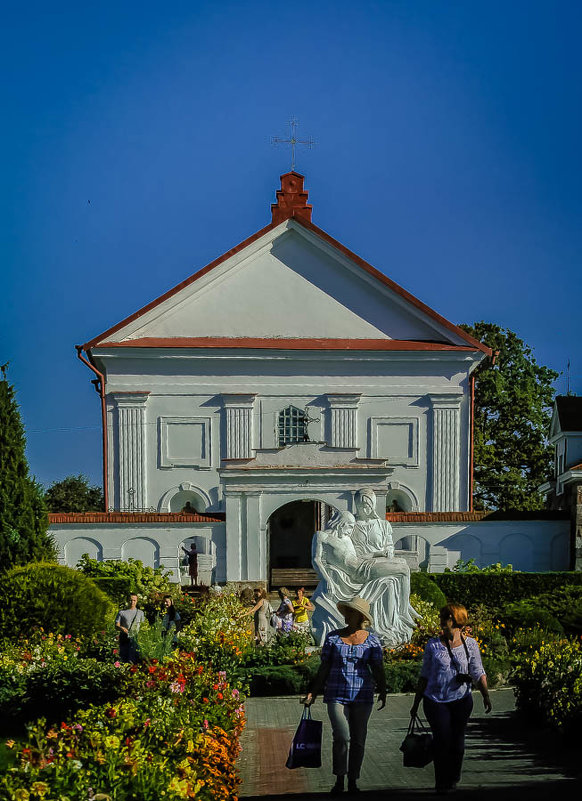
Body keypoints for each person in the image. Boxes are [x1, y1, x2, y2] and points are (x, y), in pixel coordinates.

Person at [303, 597, 386, 795]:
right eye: (346, 611)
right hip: (336, 694)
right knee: (341, 736)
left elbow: (378, 668)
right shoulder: (333, 638)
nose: (346, 615)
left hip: (362, 695)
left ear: (360, 616)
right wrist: (313, 692)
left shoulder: (372, 640)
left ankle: (353, 780)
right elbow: (324, 668)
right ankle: (339, 778)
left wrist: (383, 689)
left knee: (358, 739)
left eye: (351, 612)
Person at [410, 603, 492, 795]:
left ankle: (453, 777)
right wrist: (415, 703)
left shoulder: (470, 644)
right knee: (441, 741)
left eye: (445, 618)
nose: (441, 621)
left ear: (456, 621)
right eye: (442, 617)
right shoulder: (433, 645)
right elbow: (424, 675)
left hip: (461, 699)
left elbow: (478, 671)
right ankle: (441, 782)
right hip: (435, 700)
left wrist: (486, 695)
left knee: (458, 743)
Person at [311, 509, 415, 646]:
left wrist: (379, 553)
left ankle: (404, 610)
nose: (351, 530)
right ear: (341, 524)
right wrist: (327, 579)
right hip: (359, 572)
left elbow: (356, 558)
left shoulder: (347, 539)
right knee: (403, 569)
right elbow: (316, 560)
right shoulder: (321, 536)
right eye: (350, 526)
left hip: (364, 564)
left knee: (401, 562)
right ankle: (404, 612)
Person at [115, 593, 145, 663]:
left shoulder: (140, 613)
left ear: (137, 601)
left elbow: (143, 626)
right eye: (130, 600)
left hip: (136, 638)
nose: (132, 602)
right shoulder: (122, 612)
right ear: (127, 601)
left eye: (134, 600)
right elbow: (116, 625)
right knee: (124, 659)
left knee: (135, 660)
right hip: (124, 638)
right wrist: (122, 628)